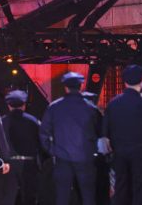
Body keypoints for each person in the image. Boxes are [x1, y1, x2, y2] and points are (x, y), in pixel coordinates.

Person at [39, 72, 101, 205]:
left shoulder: (54, 107)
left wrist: (52, 151)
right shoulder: (91, 108)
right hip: (85, 158)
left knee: (62, 196)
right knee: (88, 196)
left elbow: (44, 133)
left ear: (65, 87)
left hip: (62, 158)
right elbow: (100, 131)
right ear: (81, 86)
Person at [103, 65, 142, 205]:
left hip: (119, 151)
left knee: (121, 186)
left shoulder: (113, 103)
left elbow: (105, 130)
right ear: (140, 81)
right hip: (141, 151)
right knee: (141, 187)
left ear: (124, 82)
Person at [2, 90, 41, 205]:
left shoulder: (1, 121)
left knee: (8, 195)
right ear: (24, 105)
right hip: (29, 163)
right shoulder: (33, 121)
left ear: (8, 105)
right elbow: (41, 141)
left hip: (8, 163)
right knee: (29, 196)